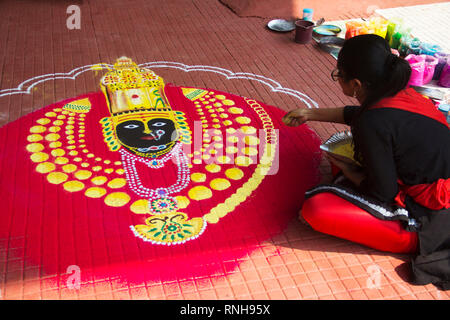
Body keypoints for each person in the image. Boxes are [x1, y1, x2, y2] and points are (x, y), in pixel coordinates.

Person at [283, 34, 450, 290]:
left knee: (316, 208)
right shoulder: (402, 92)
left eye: (339, 73)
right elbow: (362, 115)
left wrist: (350, 169)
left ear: (356, 84)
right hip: (437, 183)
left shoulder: (372, 122)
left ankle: (408, 237)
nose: (337, 77)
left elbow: (384, 192)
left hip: (435, 218)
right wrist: (311, 113)